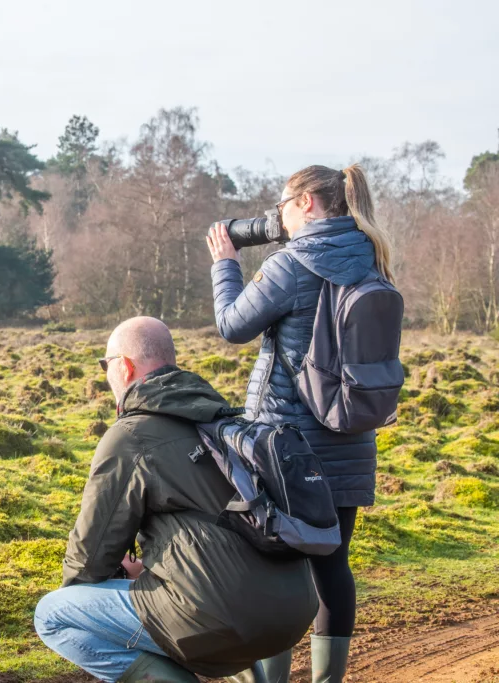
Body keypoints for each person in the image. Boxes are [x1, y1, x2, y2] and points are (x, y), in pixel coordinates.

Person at [34, 316, 318, 683]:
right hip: (293, 609)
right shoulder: (226, 419)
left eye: (106, 365)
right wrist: (148, 574)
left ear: (125, 366)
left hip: (223, 617)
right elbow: (215, 534)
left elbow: (88, 560)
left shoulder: (131, 435)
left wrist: (86, 592)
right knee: (208, 599)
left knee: (53, 614)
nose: (105, 375)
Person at [206, 164, 395, 683]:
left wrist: (225, 263)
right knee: (332, 569)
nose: (279, 214)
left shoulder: (293, 263)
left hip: (285, 450)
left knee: (274, 570)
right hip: (352, 441)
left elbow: (232, 326)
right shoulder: (373, 258)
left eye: (284, 203)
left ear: (308, 202)